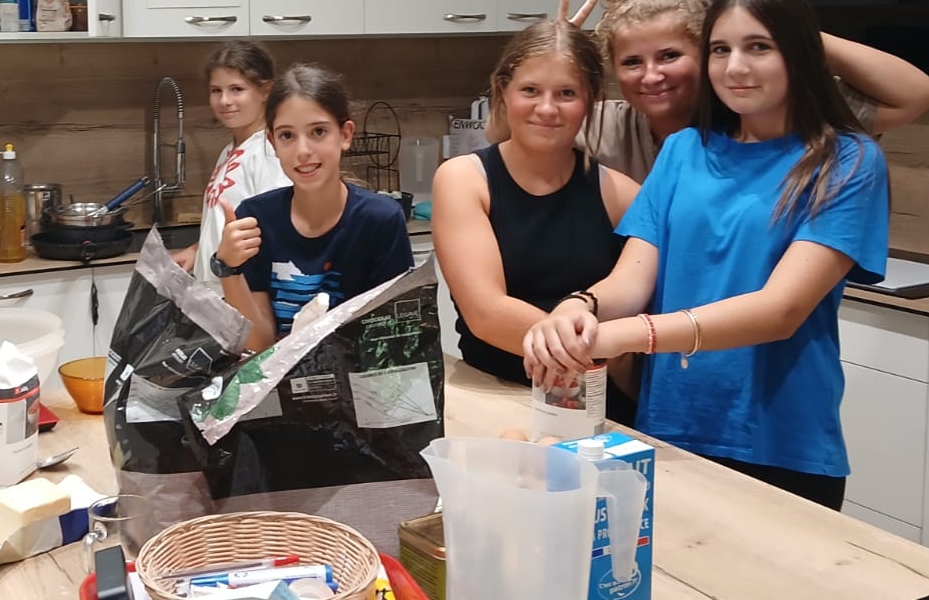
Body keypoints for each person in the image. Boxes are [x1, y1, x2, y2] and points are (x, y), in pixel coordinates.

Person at [522, 0, 890, 510]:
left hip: (780, 441)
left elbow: (779, 310)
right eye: (721, 49)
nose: (735, 67)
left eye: (758, 47)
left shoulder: (846, 162)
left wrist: (625, 335)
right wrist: (580, 309)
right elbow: (633, 276)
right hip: (669, 426)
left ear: (799, 53)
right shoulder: (684, 151)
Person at [580, 0, 929, 182]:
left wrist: (788, 27)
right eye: (631, 63)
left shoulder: (766, 116)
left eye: (670, 56)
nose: (652, 75)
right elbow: (526, 119)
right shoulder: (606, 125)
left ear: (709, 54)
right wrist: (555, 56)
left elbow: (914, 94)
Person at [432, 20, 639, 384]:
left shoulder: (620, 194)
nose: (546, 108)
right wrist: (590, 351)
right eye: (530, 90)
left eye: (566, 94)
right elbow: (486, 313)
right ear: (503, 91)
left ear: (591, 100)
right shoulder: (464, 179)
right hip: (495, 395)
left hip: (595, 404)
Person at [212, 64, 413, 351]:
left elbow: (394, 338)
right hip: (282, 388)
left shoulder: (379, 220)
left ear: (345, 135)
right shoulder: (256, 219)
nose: (303, 151)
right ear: (272, 143)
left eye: (318, 131)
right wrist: (227, 268)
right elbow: (259, 344)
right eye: (287, 136)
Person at [172, 41, 291, 280]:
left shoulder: (269, 152)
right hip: (220, 293)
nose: (225, 100)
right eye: (216, 90)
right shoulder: (230, 151)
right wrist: (198, 250)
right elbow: (230, 226)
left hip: (245, 295)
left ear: (266, 90)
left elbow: (278, 234)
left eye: (237, 89)